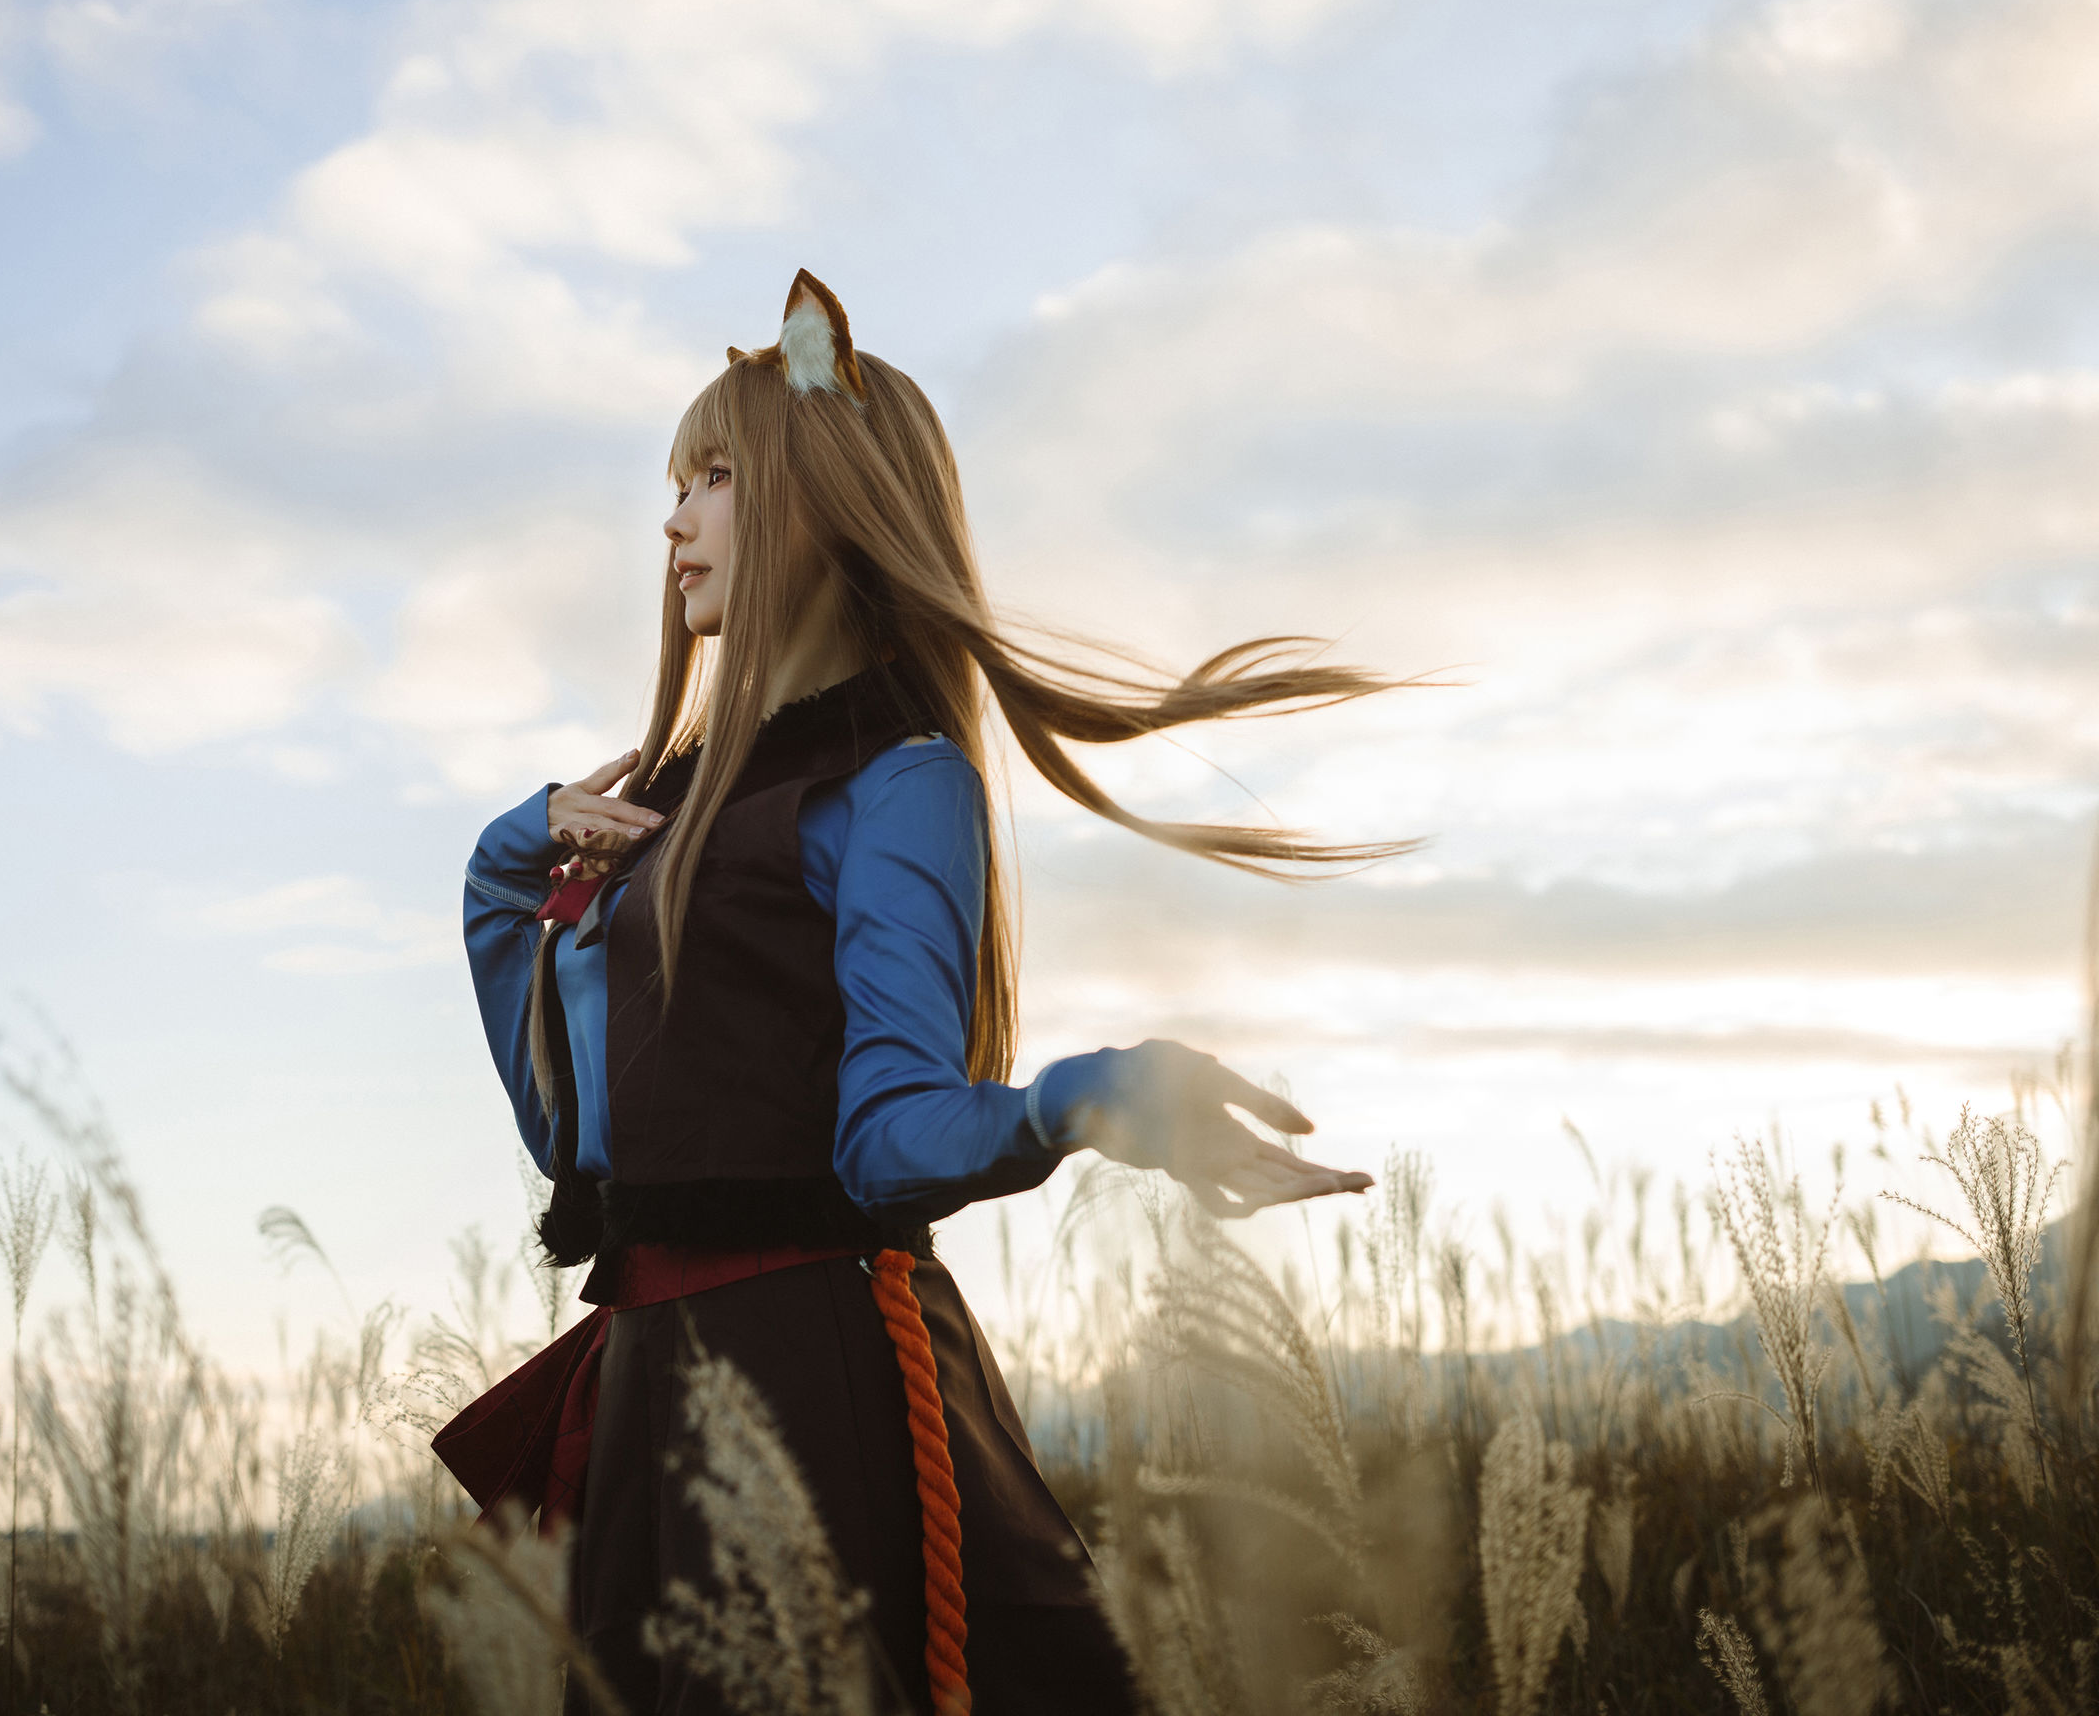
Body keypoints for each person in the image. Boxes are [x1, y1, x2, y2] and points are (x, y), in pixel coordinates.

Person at [439, 270, 1406, 1715]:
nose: (674, 522)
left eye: (715, 478)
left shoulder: (897, 782)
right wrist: (502, 861)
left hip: (808, 1367)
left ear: (824, 496)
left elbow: (886, 1138)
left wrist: (1093, 1098)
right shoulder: (660, 809)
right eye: (675, 486)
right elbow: (577, 1146)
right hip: (642, 1381)